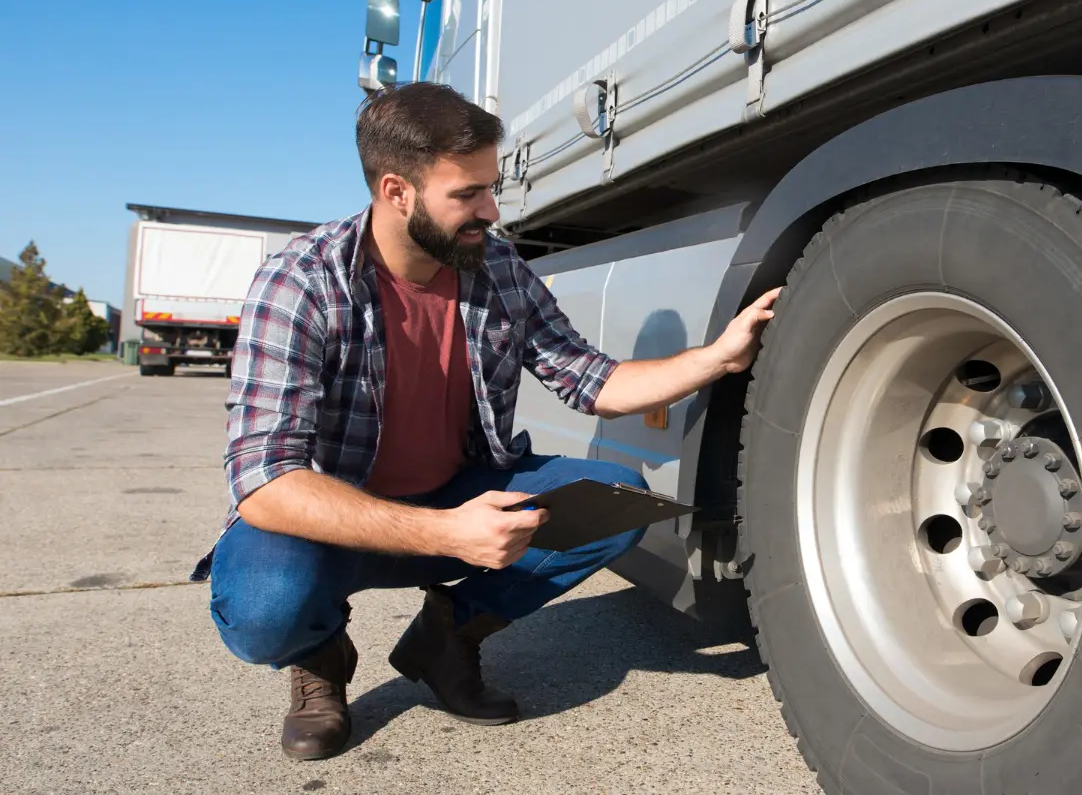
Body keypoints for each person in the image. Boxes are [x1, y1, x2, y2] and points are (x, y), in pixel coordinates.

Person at [193, 81, 781, 761]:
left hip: (457, 490)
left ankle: (448, 636)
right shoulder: (302, 281)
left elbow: (591, 380)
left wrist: (717, 357)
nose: (491, 211)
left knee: (617, 499)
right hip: (335, 518)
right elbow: (264, 479)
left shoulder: (497, 269)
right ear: (396, 192)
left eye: (490, 187)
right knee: (265, 604)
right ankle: (318, 653)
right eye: (466, 194)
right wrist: (447, 531)